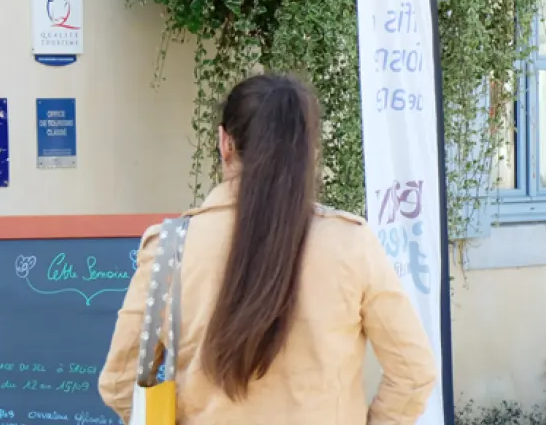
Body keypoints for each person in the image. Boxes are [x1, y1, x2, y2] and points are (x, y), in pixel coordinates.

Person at [98, 75, 438, 424]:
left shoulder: (170, 248)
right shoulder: (350, 243)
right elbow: (413, 373)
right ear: (310, 150)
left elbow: (120, 382)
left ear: (225, 142)